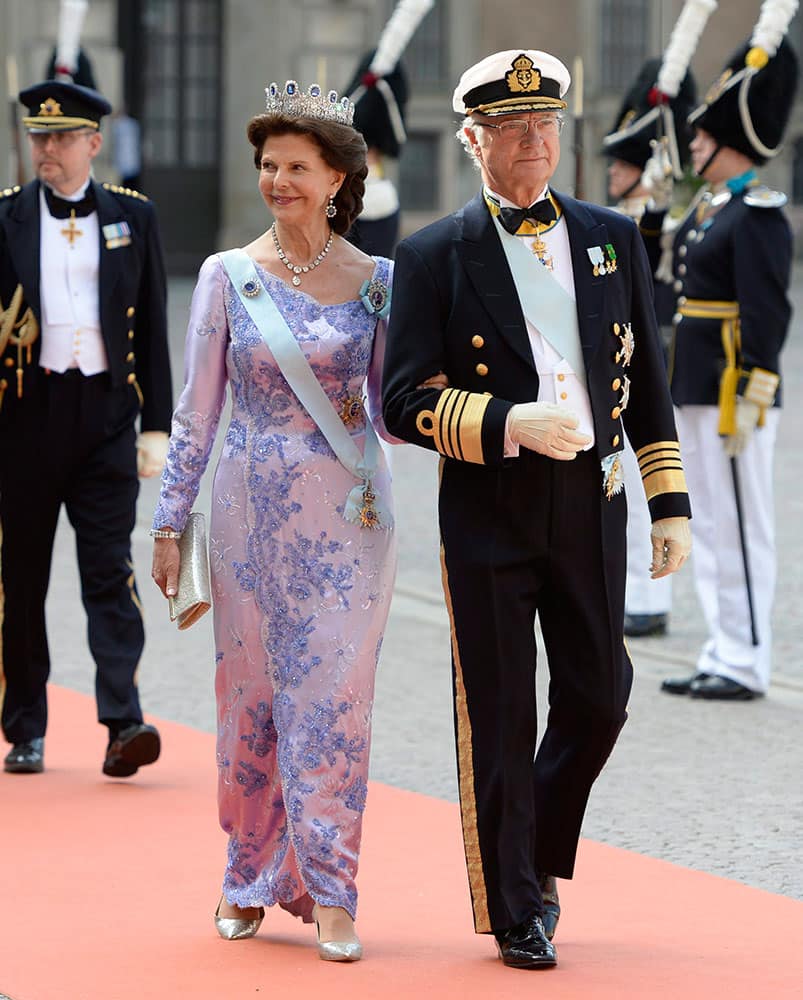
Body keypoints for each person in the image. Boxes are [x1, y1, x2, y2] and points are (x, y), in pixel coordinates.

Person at [382, 49, 692, 970]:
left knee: (601, 696)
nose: (533, 143)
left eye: (545, 125)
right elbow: (403, 401)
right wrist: (508, 421)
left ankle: (532, 848)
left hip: (590, 505)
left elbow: (648, 386)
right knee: (503, 713)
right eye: (512, 129)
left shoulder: (610, 236)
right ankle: (516, 902)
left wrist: (666, 503)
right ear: (472, 140)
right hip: (489, 508)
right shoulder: (434, 253)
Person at [150, 80, 397, 962]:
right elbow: (195, 412)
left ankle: (332, 889)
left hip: (351, 518)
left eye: (297, 166)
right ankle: (249, 874)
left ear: (337, 178)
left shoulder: (379, 285)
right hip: (248, 516)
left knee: (335, 704)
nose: (278, 180)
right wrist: (168, 523)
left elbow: (394, 406)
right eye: (267, 165)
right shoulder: (227, 277)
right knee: (250, 701)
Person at [0, 80, 172, 777]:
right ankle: (25, 728)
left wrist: (156, 425)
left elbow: (156, 325)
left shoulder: (134, 215)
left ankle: (123, 723)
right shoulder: (6, 217)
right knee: (21, 577)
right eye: (39, 137)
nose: (48, 148)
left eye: (63, 137)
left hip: (105, 418)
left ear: (94, 144)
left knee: (110, 572)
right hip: (24, 419)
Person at [651, 26, 799, 701]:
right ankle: (720, 646)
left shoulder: (757, 215)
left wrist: (753, 392)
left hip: (732, 392)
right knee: (708, 521)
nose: (693, 147)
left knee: (741, 525)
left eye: (702, 139)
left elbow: (767, 314)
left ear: (728, 144)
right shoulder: (712, 211)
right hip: (696, 384)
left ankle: (745, 660)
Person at [601, 57, 697, 639]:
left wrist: (662, 150)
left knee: (661, 487)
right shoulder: (616, 218)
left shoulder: (658, 216)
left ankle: (652, 595)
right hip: (621, 366)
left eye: (622, 165)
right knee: (624, 488)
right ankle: (637, 593)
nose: (613, 174)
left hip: (658, 362)